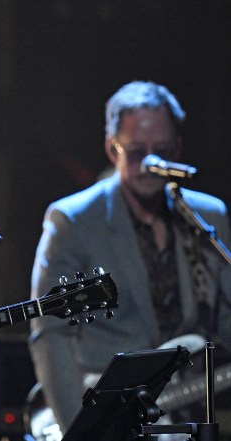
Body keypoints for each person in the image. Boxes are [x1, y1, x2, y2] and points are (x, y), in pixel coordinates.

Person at [27, 81, 231, 437]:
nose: (150, 165)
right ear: (111, 148)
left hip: (187, 413)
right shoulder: (72, 219)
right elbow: (50, 334)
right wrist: (80, 428)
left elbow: (225, 316)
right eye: (137, 153)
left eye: (162, 151)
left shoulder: (207, 216)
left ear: (178, 148)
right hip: (106, 412)